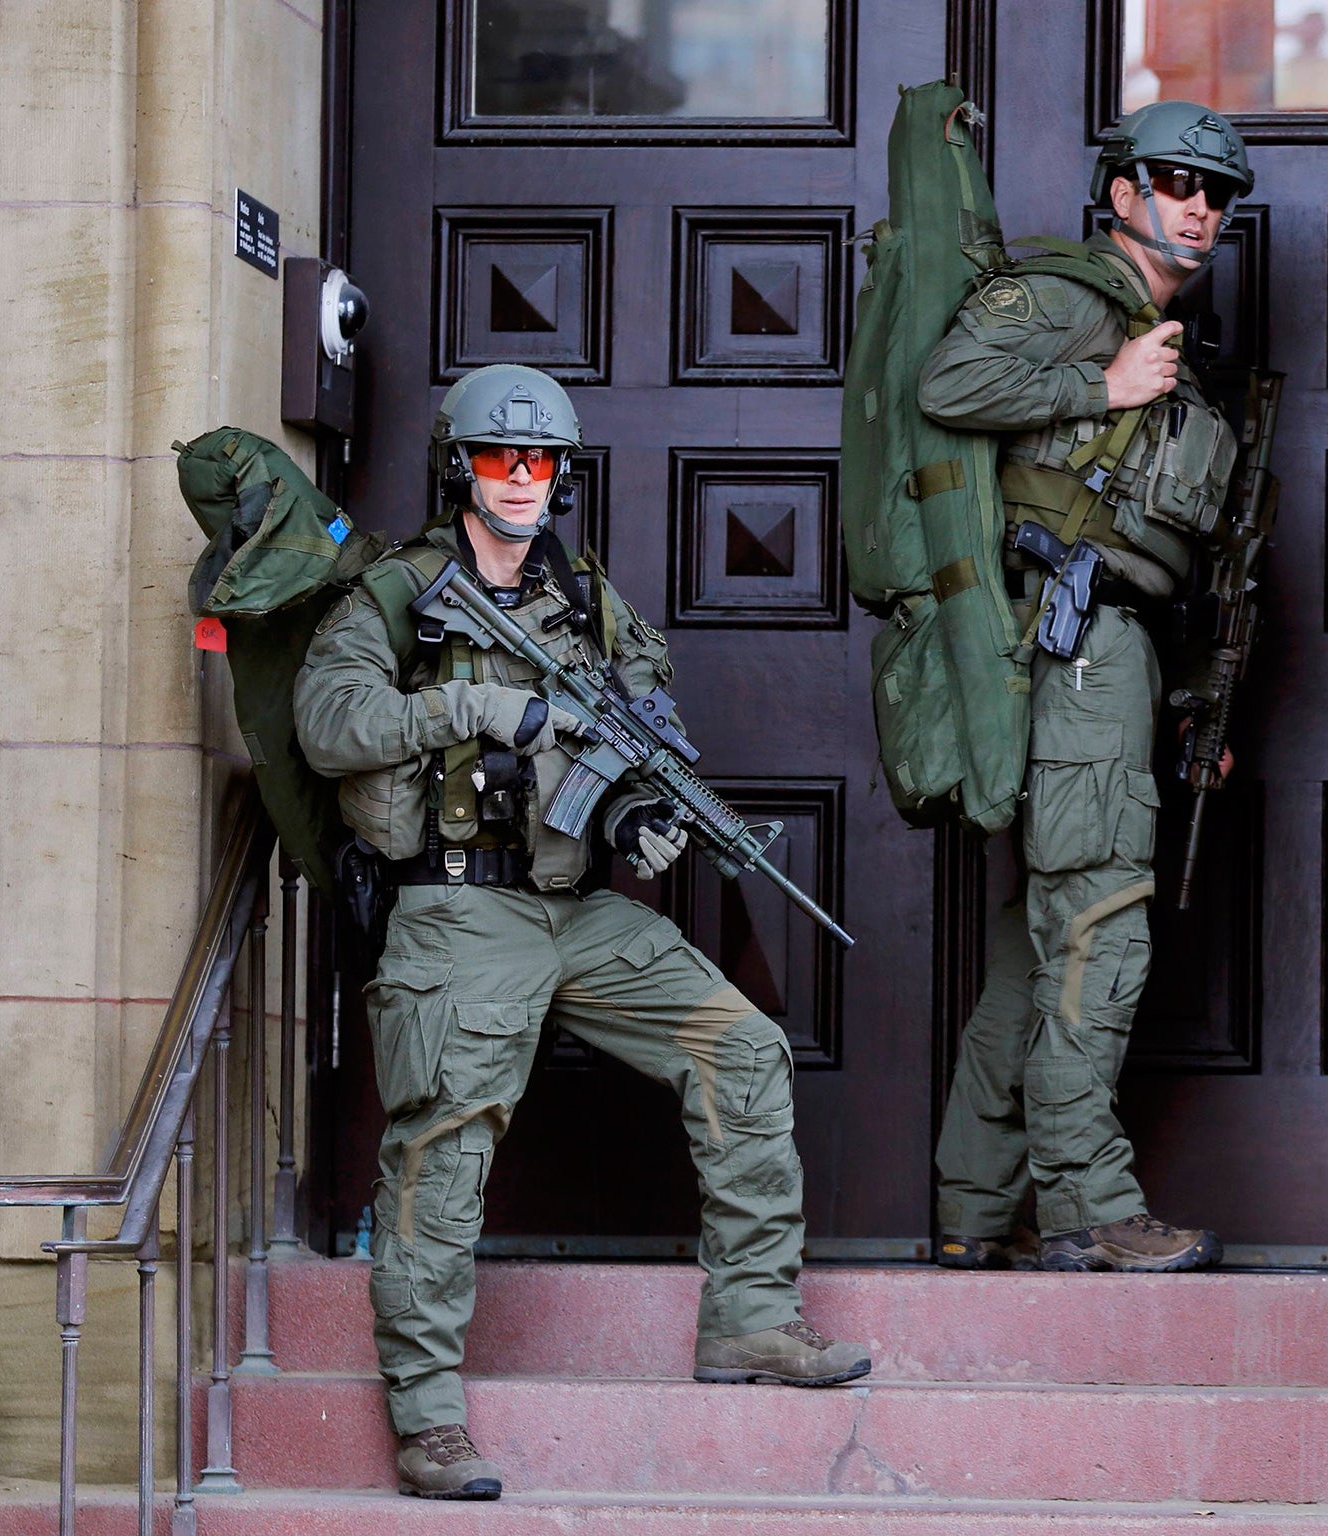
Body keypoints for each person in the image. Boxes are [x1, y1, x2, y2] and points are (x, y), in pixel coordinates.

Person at [293, 364, 870, 1501]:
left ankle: (749, 1322)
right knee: (445, 1146)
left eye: (541, 460)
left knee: (740, 1049)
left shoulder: (586, 599)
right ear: (461, 465)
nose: (521, 477)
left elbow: (630, 727)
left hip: (576, 912)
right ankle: (428, 1416)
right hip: (458, 910)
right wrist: (475, 704)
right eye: (501, 457)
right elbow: (330, 725)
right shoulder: (396, 596)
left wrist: (639, 813)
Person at [916, 102, 1253, 1275]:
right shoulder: (1073, 300)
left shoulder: (1160, 341)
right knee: (1096, 931)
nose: (1199, 204)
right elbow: (950, 381)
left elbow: (1155, 554)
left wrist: (1179, 707)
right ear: (1121, 193)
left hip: (1113, 658)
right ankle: (1088, 1208)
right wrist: (1099, 383)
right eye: (1173, 180)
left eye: (1217, 191)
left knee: (1040, 940)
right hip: (1065, 645)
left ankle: (972, 1201)